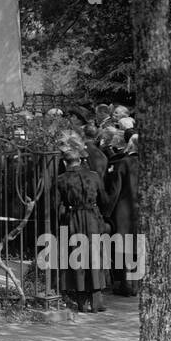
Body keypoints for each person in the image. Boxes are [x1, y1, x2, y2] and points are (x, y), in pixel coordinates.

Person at [54, 134, 111, 313]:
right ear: (80, 158)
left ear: (64, 161)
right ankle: (97, 301)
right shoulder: (93, 177)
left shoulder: (61, 180)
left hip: (73, 219)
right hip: (93, 218)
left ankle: (81, 302)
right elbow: (105, 200)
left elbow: (55, 206)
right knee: (95, 256)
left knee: (76, 256)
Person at [102, 126, 139, 296]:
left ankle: (127, 284)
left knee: (124, 247)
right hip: (141, 210)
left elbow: (115, 190)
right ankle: (136, 284)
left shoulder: (124, 162)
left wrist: (107, 212)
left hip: (124, 209)